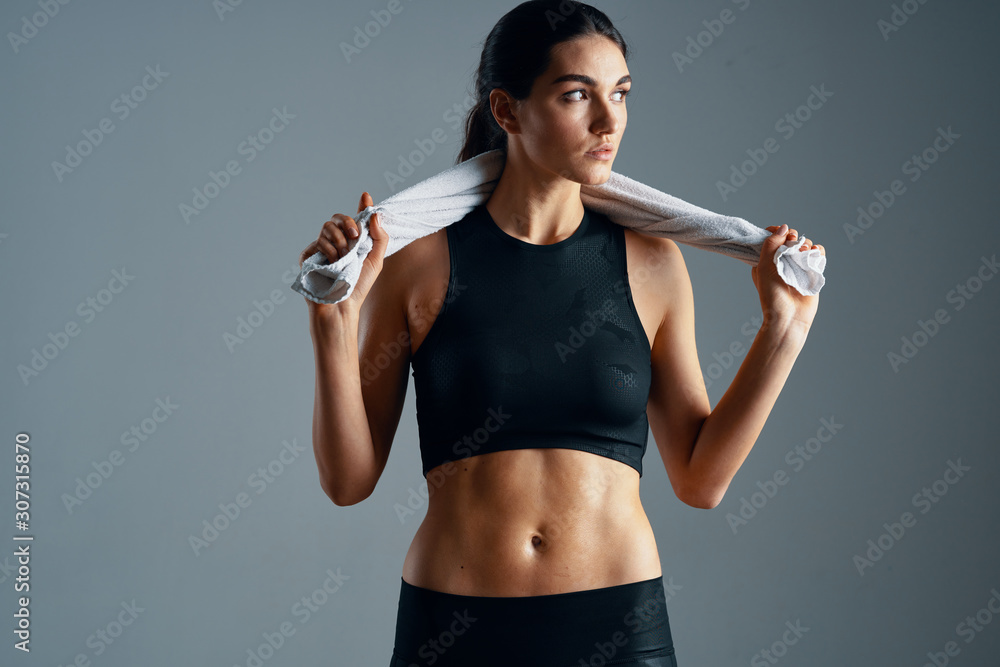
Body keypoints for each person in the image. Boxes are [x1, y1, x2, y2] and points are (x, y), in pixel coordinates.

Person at [296, 2, 825, 665]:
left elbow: (700, 479)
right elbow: (348, 480)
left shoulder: (653, 262)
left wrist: (785, 326)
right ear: (508, 110)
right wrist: (332, 320)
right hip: (454, 626)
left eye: (621, 94)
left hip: (618, 626)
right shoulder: (417, 262)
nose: (610, 122)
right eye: (578, 95)